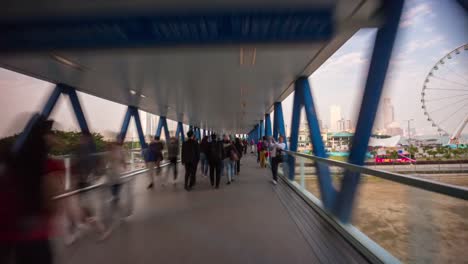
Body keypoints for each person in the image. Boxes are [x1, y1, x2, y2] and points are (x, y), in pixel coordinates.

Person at [0, 115, 63, 264]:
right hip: (32, 231)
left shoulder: (12, 160)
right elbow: (50, 200)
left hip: (10, 229)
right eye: (50, 134)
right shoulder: (43, 164)